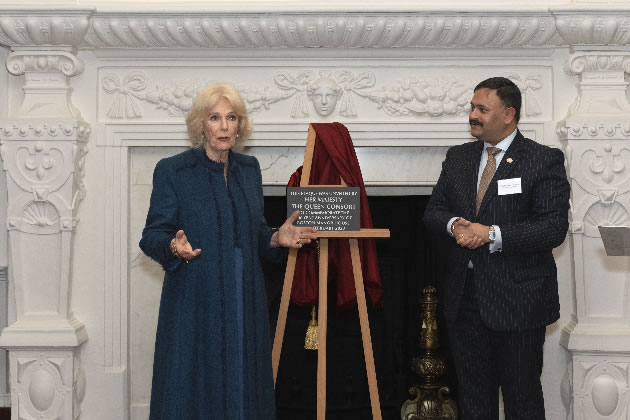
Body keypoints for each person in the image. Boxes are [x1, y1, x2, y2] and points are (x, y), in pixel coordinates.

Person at [139, 83, 317, 420]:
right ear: (201, 126)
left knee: (242, 381)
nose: (224, 126)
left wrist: (277, 237)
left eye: (231, 118)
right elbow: (152, 235)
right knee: (194, 386)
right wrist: (173, 247)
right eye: (215, 118)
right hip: (196, 297)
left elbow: (254, 232)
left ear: (240, 125)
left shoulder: (249, 170)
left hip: (244, 297)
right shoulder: (173, 170)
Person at [423, 77, 570, 420]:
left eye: (482, 109)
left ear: (508, 114)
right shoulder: (459, 157)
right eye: (472, 108)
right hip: (466, 300)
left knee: (523, 401)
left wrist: (491, 234)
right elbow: (434, 212)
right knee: (474, 402)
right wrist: (456, 226)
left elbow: (552, 227)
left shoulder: (542, 159)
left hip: (518, 302)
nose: (473, 115)